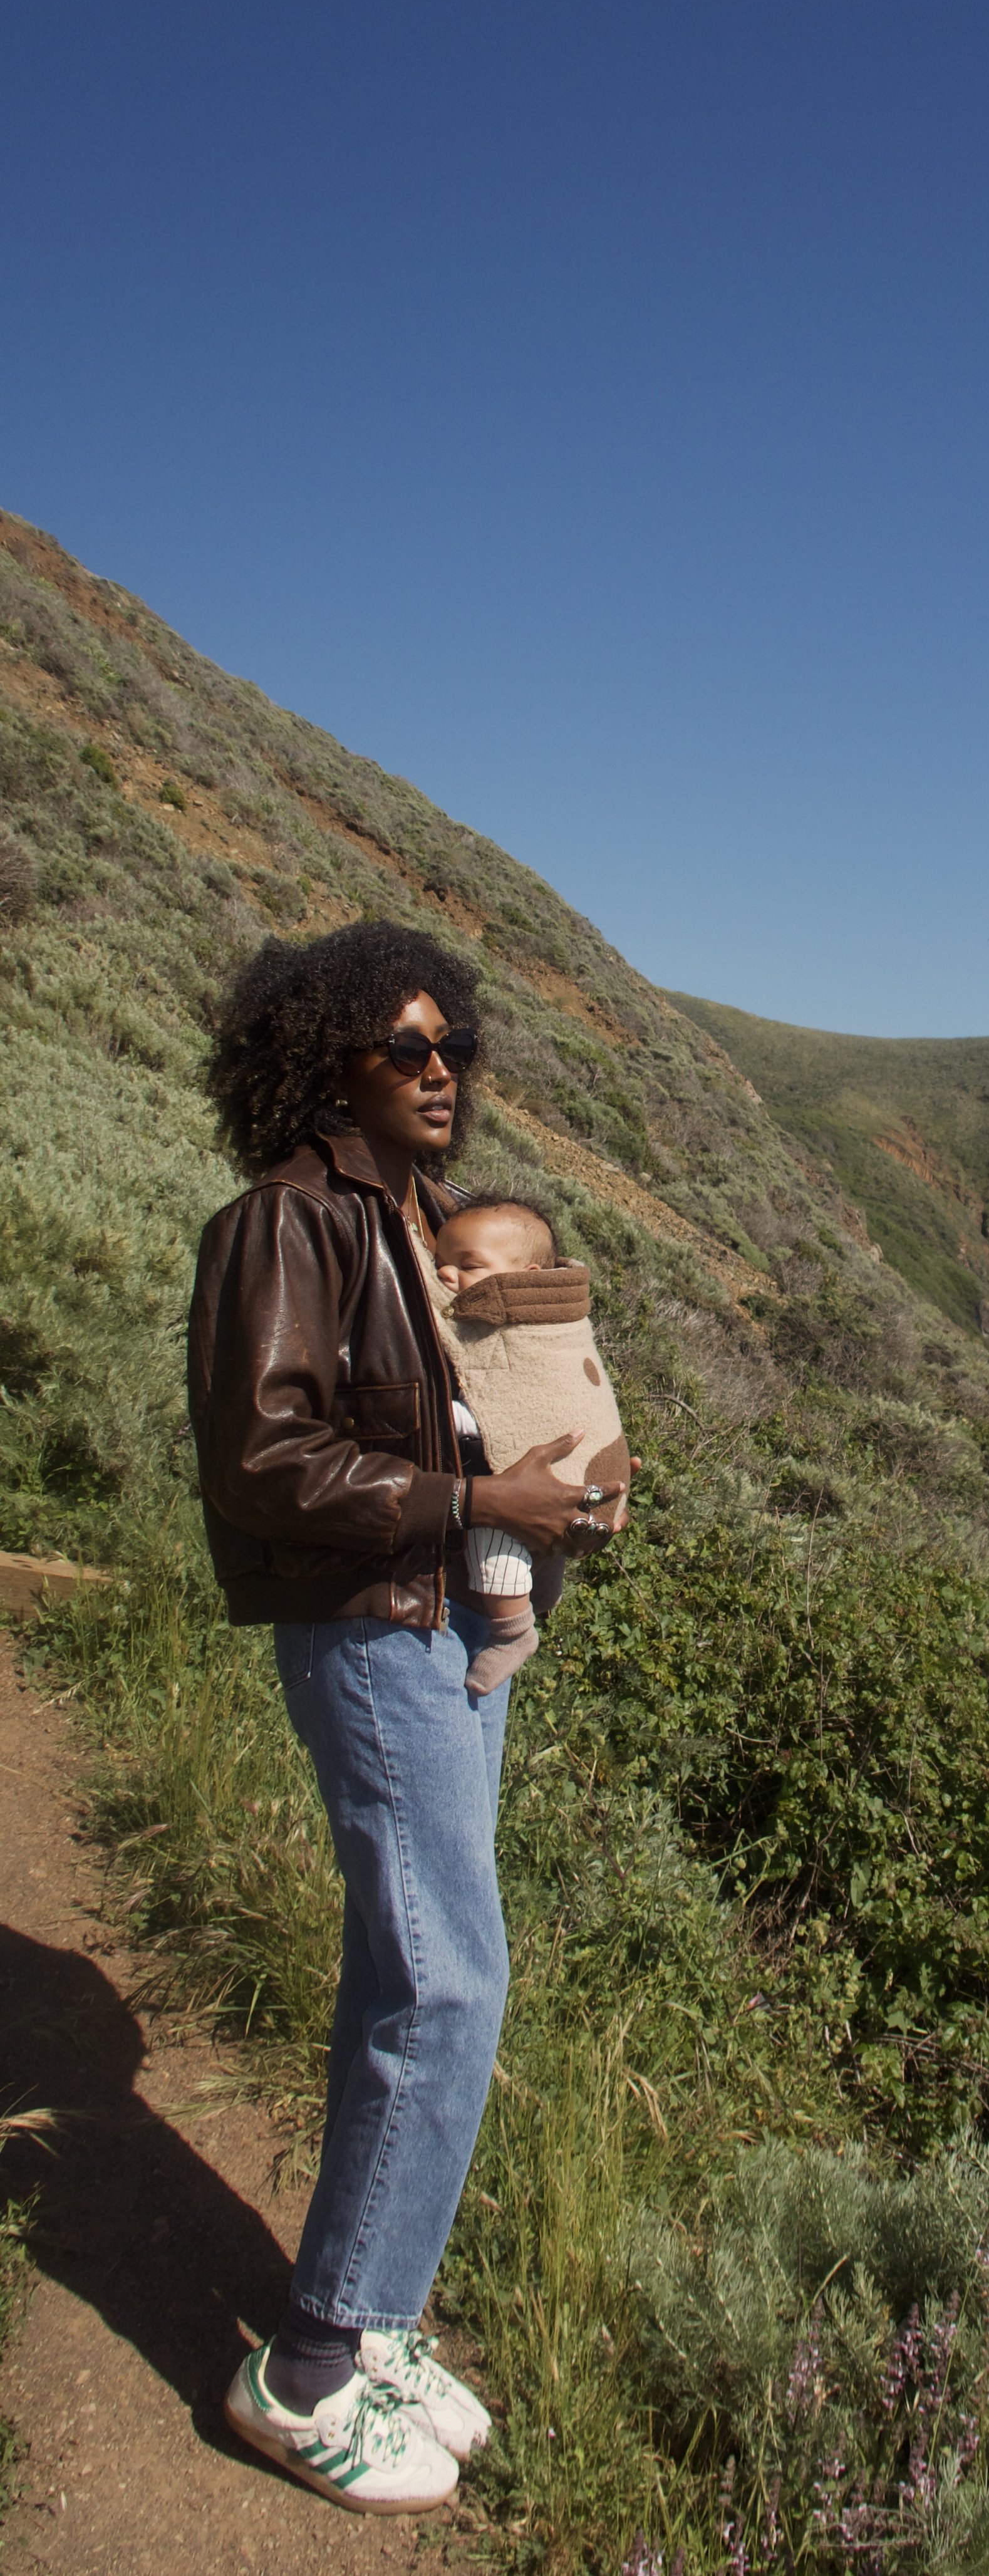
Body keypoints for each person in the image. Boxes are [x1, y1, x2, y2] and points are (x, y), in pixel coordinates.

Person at [187, 919, 629, 2515]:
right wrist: (471, 1500)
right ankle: (303, 2371)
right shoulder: (285, 1226)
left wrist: (569, 1483)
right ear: (329, 1064)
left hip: (448, 1625)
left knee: (405, 1966)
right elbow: (262, 1458)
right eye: (408, 1050)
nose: (445, 1073)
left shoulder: (426, 1222)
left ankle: (372, 2323)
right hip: (375, 1628)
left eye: (456, 1048)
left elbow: (494, 1393)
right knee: (451, 1982)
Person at [423, 1196, 630, 1696]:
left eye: (468, 1266)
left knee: (495, 1518)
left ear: (528, 1274)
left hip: (569, 1478)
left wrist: (440, 1418)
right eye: (440, 1265)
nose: (449, 1276)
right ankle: (541, 1596)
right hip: (593, 1481)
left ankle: (513, 1631)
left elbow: (499, 1406)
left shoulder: (524, 1328)